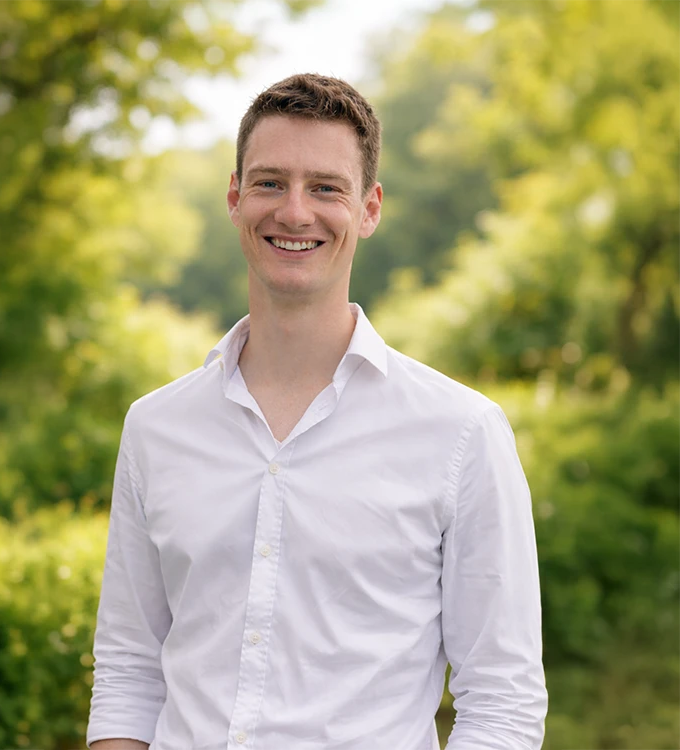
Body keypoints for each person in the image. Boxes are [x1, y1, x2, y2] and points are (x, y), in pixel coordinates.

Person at [86, 73, 547, 750]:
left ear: (369, 208)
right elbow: (129, 672)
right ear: (235, 198)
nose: (295, 212)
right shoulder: (156, 427)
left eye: (326, 188)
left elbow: (503, 699)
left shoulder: (462, 433)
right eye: (270, 183)